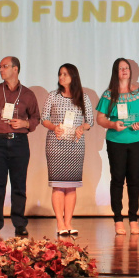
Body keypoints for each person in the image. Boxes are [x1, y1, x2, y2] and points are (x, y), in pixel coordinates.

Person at [0, 56, 40, 238]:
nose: (1, 70)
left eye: (4, 66)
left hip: (19, 143)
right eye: (0, 67)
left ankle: (19, 224)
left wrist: (24, 123)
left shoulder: (28, 94)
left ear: (15, 69)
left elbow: (36, 119)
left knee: (19, 186)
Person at [96, 58, 139, 235]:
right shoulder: (108, 94)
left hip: (137, 140)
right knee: (117, 179)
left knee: (134, 179)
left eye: (126, 68)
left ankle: (134, 218)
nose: (124, 71)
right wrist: (113, 125)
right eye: (121, 68)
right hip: (116, 141)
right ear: (116, 72)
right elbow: (100, 118)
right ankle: (118, 219)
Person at [40, 64, 94, 237]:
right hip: (56, 144)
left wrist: (81, 128)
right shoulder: (52, 96)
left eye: (65, 74)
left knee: (72, 187)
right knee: (58, 185)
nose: (61, 77)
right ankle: (60, 223)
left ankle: (69, 222)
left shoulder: (83, 98)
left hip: (75, 145)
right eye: (60, 74)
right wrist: (54, 127)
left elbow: (90, 121)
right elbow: (44, 119)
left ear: (73, 76)